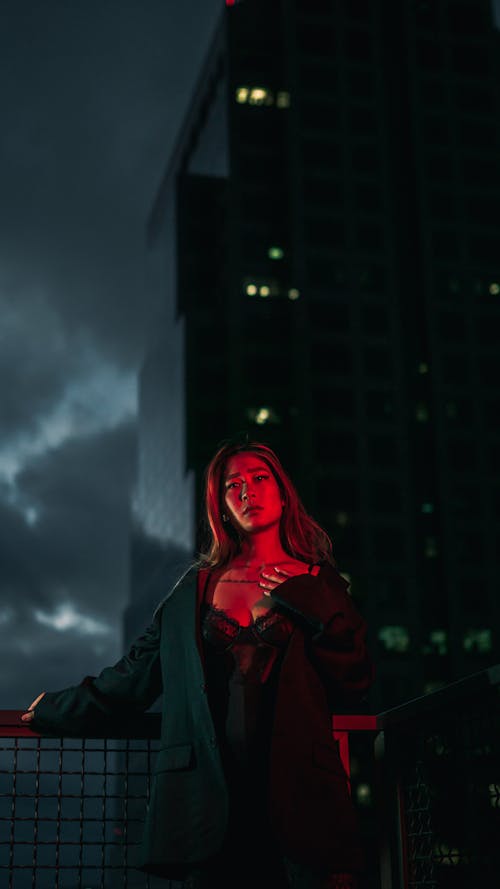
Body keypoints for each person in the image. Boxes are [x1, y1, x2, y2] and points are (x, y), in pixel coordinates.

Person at [22, 439, 374, 889]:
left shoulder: (318, 580)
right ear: (222, 506)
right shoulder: (194, 591)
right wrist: (55, 709)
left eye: (260, 478)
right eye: (234, 485)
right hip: (208, 807)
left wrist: (316, 603)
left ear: (283, 493)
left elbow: (355, 680)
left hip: (301, 805)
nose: (248, 491)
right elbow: (132, 680)